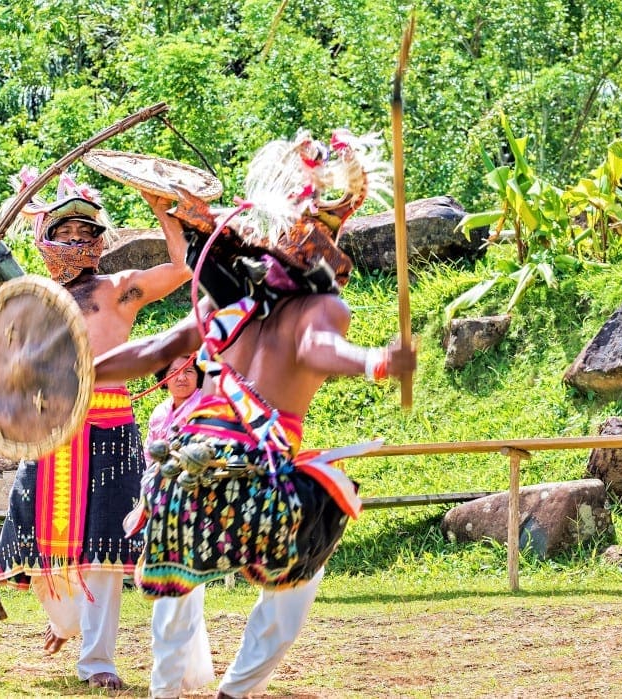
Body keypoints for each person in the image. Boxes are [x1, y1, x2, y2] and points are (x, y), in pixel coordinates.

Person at [94, 129, 416, 699]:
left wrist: (79, 374)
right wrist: (376, 362)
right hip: (259, 488)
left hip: (182, 479)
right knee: (305, 561)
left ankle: (167, 692)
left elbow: (149, 351)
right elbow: (319, 351)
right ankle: (234, 692)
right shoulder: (322, 307)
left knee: (178, 582)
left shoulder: (229, 309)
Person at [0, 171, 191, 690]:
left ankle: (98, 660)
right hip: (52, 426)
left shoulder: (118, 289)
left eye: (87, 234)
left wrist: (161, 209)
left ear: (99, 243)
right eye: (67, 234)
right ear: (47, 242)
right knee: (34, 535)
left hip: (110, 422)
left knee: (106, 546)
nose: (77, 243)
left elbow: (181, 268)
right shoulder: (32, 299)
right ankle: (65, 623)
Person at [143, 355, 204, 465]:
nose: (181, 378)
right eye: (174, 372)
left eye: (188, 371)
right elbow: (148, 455)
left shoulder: (205, 406)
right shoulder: (159, 412)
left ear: (198, 376)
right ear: (164, 379)